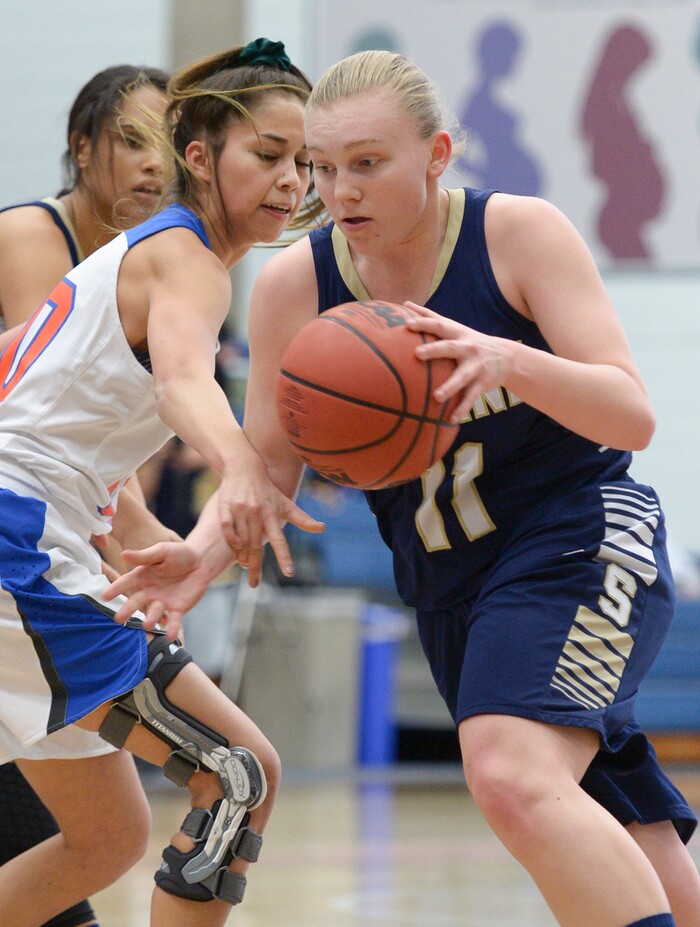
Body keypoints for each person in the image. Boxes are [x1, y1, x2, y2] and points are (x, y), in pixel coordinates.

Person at [107, 49, 700, 927]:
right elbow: (268, 472)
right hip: (452, 586)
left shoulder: (517, 234)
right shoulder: (295, 284)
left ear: (438, 153)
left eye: (368, 164)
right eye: (322, 166)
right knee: (611, 816)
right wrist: (197, 557)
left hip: (579, 535)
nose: (339, 190)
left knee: (509, 771)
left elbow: (633, 415)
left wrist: (509, 359)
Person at [0, 38, 324, 927]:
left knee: (105, 835)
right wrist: (245, 468)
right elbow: (184, 383)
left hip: (37, 536)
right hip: (17, 550)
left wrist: (154, 541)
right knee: (238, 775)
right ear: (200, 155)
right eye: (267, 155)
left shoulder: (133, 257)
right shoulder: (187, 259)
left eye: (305, 161)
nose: (292, 181)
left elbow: (58, 426)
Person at [0, 62, 170, 927]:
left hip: (24, 554)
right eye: (131, 141)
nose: (153, 164)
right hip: (14, 548)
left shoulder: (138, 264)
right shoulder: (35, 234)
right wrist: (150, 542)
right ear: (82, 149)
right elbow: (53, 427)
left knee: (76, 856)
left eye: (169, 146)